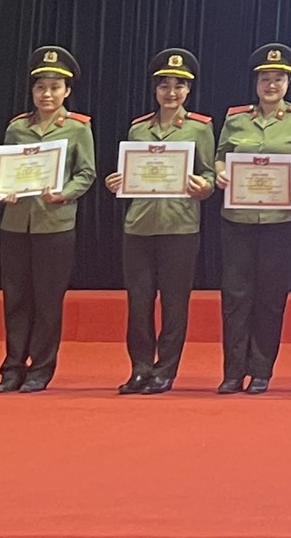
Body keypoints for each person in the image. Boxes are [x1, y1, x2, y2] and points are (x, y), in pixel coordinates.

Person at [216, 41, 291, 394]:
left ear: (288, 83)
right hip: (239, 218)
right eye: (265, 79)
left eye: (278, 79)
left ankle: (261, 370)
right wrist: (221, 173)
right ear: (256, 82)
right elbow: (220, 156)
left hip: (284, 220)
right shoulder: (235, 119)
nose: (271, 85)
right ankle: (233, 371)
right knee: (235, 295)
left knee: (270, 296)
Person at [107, 46, 214, 395]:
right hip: (139, 225)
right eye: (164, 86)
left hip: (180, 225)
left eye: (179, 86)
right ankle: (140, 368)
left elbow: (210, 175)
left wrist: (204, 187)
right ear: (155, 90)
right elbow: (130, 172)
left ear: (188, 90)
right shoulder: (138, 129)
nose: (171, 92)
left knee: (174, 302)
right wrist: (118, 181)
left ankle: (165, 370)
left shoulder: (200, 128)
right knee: (138, 302)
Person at [0, 44, 98, 392]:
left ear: (66, 91)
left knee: (48, 299)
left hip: (55, 223)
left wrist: (64, 193)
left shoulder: (78, 128)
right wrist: (4, 189)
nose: (46, 94)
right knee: (16, 298)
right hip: (15, 222)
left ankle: (41, 367)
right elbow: (6, 169)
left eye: (54, 87)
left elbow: (86, 173)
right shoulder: (17, 128)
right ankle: (12, 367)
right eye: (40, 87)